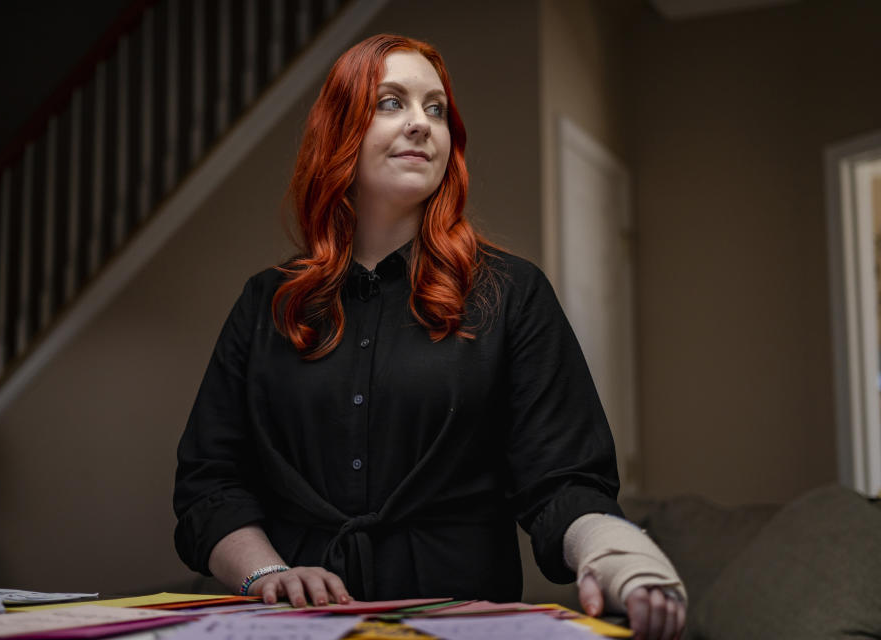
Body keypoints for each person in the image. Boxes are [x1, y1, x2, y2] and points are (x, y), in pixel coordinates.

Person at [174, 34, 686, 639]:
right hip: (290, 627)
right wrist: (266, 573)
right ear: (338, 133)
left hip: (457, 622)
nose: (421, 123)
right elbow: (211, 483)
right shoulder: (267, 302)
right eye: (391, 103)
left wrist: (622, 557)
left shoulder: (511, 293)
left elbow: (563, 481)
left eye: (436, 108)